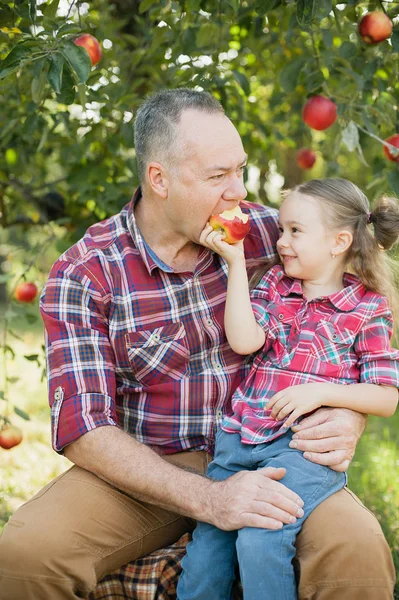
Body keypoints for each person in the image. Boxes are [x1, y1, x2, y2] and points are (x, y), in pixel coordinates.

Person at [0, 89, 395, 600]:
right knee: (27, 558)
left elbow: (361, 308)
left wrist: (349, 412)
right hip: (151, 468)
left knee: (355, 551)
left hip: (273, 450)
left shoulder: (269, 236)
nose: (238, 191)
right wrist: (211, 499)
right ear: (159, 179)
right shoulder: (87, 272)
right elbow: (85, 428)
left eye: (240, 170)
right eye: (217, 176)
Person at [177, 178, 399, 600]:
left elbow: (386, 396)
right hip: (238, 440)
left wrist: (321, 393)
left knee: (260, 538)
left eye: (296, 231)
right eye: (282, 229)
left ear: (339, 242)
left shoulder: (368, 307)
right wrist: (236, 263)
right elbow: (245, 340)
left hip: (301, 452)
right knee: (207, 552)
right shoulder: (278, 285)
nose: (282, 241)